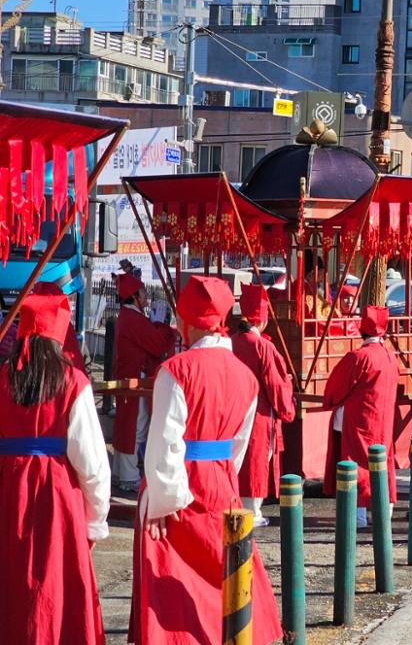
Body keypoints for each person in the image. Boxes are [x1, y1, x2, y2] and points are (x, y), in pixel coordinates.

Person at [129, 276, 281, 645]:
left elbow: (165, 440)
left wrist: (163, 502)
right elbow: (238, 445)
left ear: (186, 321)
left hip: (180, 480)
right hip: (221, 477)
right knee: (224, 567)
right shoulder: (244, 376)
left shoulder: (176, 370)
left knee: (173, 578)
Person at [0, 292, 111, 644]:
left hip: (8, 491)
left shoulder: (2, 378)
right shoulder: (73, 382)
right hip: (56, 496)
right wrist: (94, 522)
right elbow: (92, 464)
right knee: (53, 591)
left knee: (10, 585)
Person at [323, 306, 400, 527]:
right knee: (382, 462)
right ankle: (384, 510)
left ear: (361, 330)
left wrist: (331, 401)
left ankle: (357, 516)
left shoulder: (359, 356)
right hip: (383, 420)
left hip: (360, 419)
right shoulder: (389, 356)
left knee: (356, 462)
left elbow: (336, 387)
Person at [233, 283, 296, 528]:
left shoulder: (231, 341)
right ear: (263, 319)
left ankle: (239, 505)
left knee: (238, 458)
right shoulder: (263, 347)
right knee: (257, 460)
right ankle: (253, 511)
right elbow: (277, 385)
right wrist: (287, 408)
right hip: (259, 413)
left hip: (235, 410)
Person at [111, 273, 176, 493]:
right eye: (143, 292)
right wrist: (163, 328)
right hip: (135, 381)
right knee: (135, 428)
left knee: (126, 426)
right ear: (135, 296)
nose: (146, 295)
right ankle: (129, 476)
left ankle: (121, 472)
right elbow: (157, 345)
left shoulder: (126, 317)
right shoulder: (134, 320)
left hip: (127, 377)